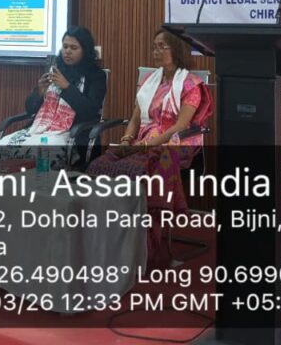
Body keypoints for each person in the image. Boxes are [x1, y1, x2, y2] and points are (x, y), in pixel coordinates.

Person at [86, 27, 212, 268]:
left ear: (177, 49)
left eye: (162, 46)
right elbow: (135, 119)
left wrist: (146, 145)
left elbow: (181, 126)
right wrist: (126, 141)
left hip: (177, 143)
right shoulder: (149, 82)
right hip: (143, 141)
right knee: (100, 165)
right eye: (154, 47)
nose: (156, 51)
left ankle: (148, 244)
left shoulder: (191, 84)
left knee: (149, 169)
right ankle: (112, 236)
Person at [0, 27, 107, 170]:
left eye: (73, 48)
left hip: (71, 134)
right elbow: (30, 109)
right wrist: (39, 92)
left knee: (43, 154)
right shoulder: (56, 69)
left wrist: (67, 87)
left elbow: (89, 111)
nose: (67, 51)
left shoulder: (96, 76)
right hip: (39, 130)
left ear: (85, 50)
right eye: (65, 46)